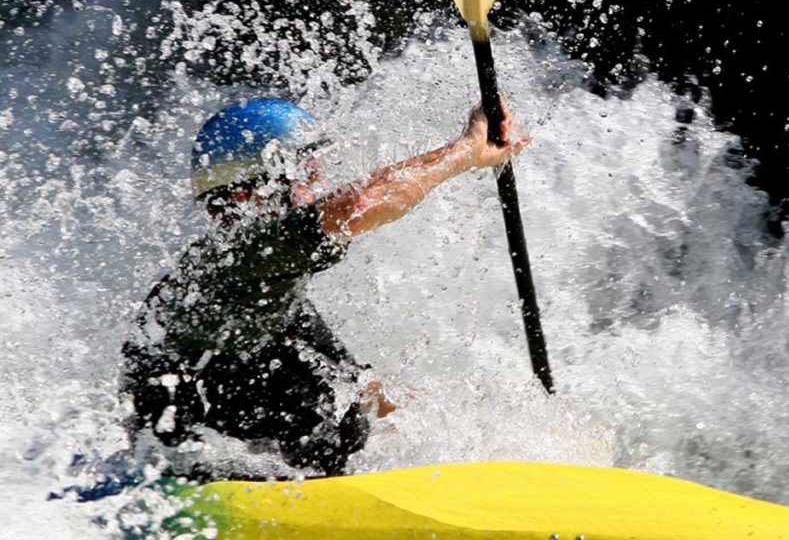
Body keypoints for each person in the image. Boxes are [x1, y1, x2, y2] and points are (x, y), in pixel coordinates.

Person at [120, 97, 528, 479]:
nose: (316, 189)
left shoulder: (270, 296)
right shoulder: (235, 259)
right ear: (252, 192)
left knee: (348, 399)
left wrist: (477, 444)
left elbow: (371, 397)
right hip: (180, 452)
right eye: (306, 176)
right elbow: (358, 204)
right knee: (323, 413)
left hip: (227, 402)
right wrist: (466, 151)